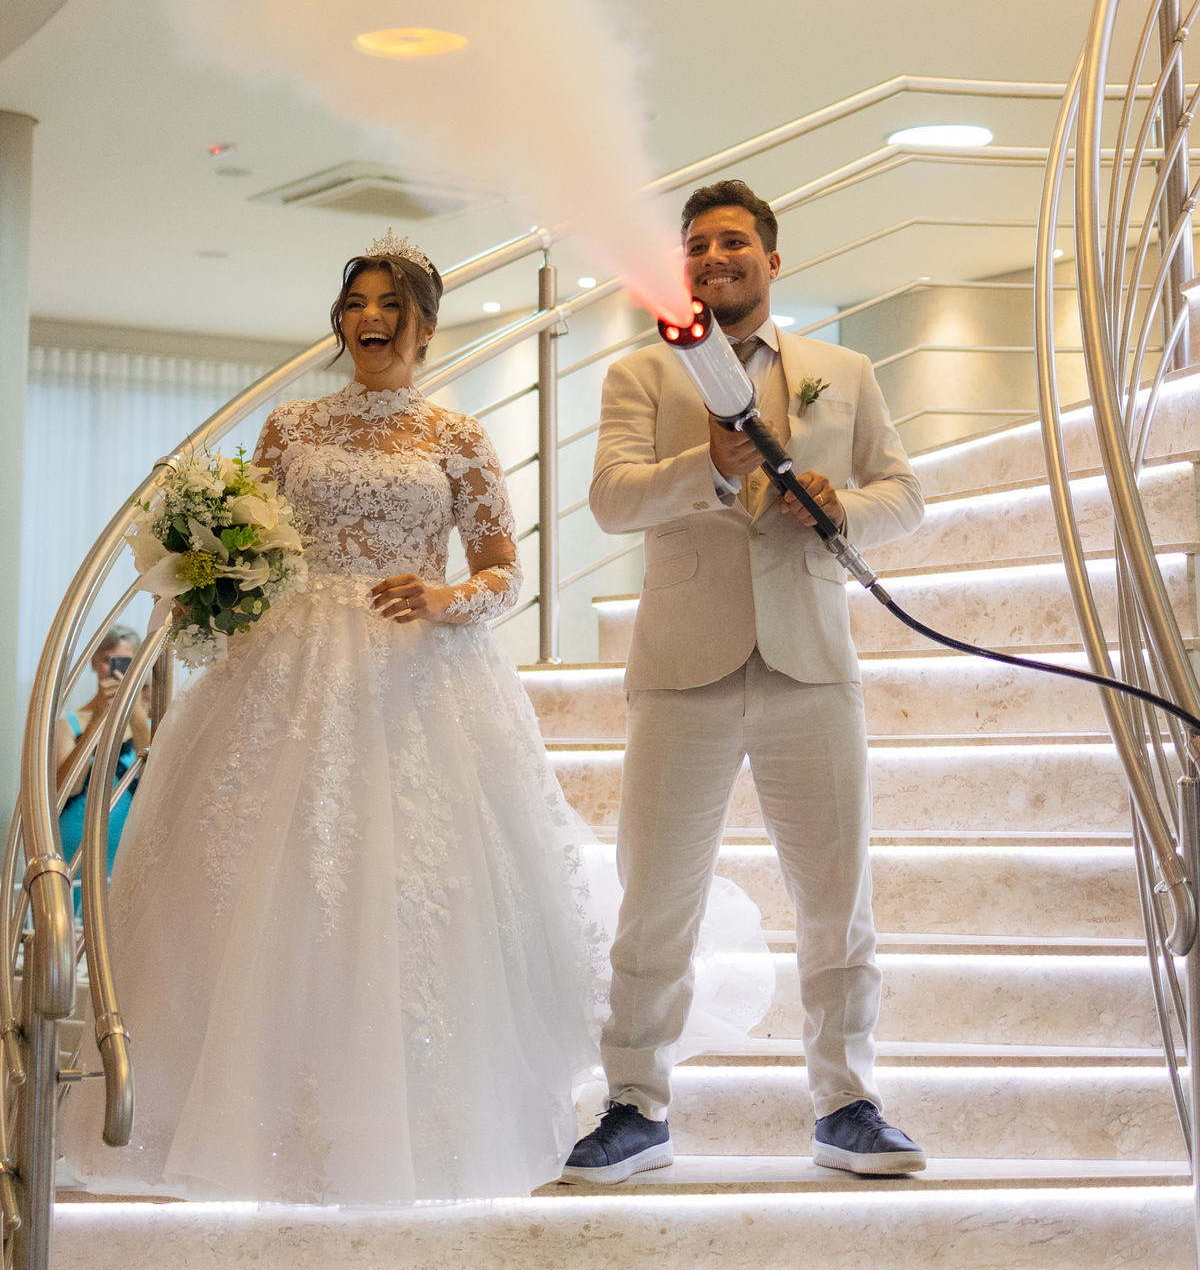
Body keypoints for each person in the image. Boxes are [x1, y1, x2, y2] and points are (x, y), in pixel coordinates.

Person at [58, 230, 767, 1203]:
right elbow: (253, 538)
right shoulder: (291, 426)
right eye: (356, 302)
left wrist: (446, 598)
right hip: (284, 673)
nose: (371, 318)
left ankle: (400, 1123)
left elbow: (505, 572)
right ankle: (238, 1117)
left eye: (390, 304)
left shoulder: (456, 437)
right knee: (260, 883)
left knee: (401, 892)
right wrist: (217, 571)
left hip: (417, 676)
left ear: (425, 327)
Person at [565, 179, 928, 1183]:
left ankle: (847, 1103)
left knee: (837, 898)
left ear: (772, 259)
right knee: (655, 900)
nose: (713, 258)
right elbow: (611, 500)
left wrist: (841, 508)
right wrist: (710, 467)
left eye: (733, 242)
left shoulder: (845, 370)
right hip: (685, 667)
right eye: (696, 246)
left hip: (812, 664)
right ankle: (635, 1106)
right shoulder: (642, 373)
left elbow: (906, 496)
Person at [55, 626, 151, 917]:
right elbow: (65, 788)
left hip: (130, 853)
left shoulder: (146, 725)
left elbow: (157, 777)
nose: (116, 670)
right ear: (95, 662)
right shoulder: (69, 723)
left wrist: (136, 715)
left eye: (126, 663)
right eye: (110, 660)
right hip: (75, 854)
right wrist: (98, 721)